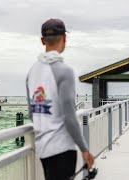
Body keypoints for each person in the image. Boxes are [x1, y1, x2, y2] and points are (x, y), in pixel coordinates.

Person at [26, 19, 94, 180]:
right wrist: (84, 149)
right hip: (62, 149)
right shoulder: (65, 71)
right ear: (64, 38)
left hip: (43, 148)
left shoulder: (32, 72)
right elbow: (69, 116)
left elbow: (31, 113)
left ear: (42, 40)